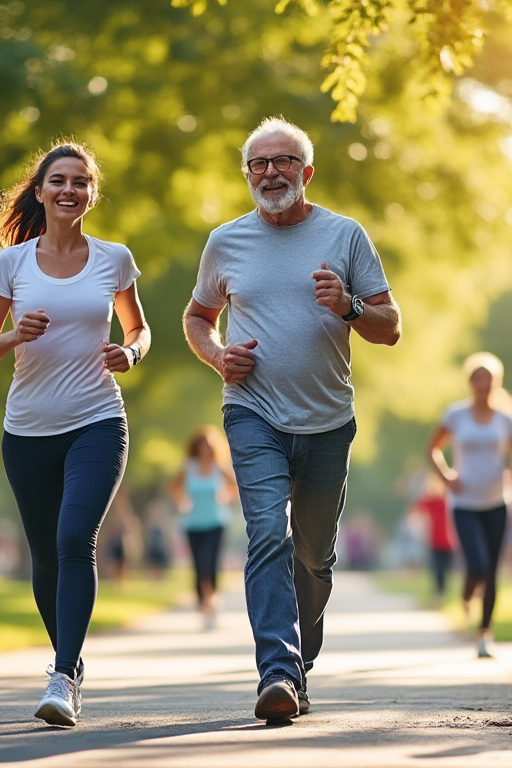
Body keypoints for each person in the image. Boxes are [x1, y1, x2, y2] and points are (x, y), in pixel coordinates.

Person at [183, 116, 401, 723]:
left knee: (313, 557)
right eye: (259, 163)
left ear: (307, 172)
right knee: (267, 535)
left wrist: (350, 306)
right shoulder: (225, 241)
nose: (271, 172)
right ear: (247, 175)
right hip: (252, 411)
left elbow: (390, 327)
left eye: (283, 162)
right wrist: (217, 355)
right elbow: (197, 317)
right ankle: (276, 672)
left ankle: (300, 662)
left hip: (327, 420)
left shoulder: (345, 235)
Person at [0, 141, 149, 727]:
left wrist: (129, 353)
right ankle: (67, 662)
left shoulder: (114, 259)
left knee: (75, 538)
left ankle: (64, 674)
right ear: (41, 191)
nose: (69, 189)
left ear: (91, 194)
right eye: (58, 180)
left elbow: (139, 329)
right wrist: (14, 335)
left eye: (80, 181)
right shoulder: (12, 264)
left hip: (97, 419)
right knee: (46, 556)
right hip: (27, 430)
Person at [427, 352, 512, 659]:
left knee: (492, 570)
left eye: (489, 379)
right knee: (477, 565)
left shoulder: (506, 418)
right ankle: (467, 592)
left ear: (497, 383)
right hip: (464, 502)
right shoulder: (455, 415)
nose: (484, 384)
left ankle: (485, 633)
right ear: (470, 383)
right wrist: (446, 476)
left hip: (498, 501)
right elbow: (433, 449)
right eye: (478, 379)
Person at [170, 426, 237, 630]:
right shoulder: (188, 467)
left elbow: (234, 486)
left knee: (212, 564)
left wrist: (225, 497)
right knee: (199, 566)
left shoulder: (219, 467)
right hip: (193, 524)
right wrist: (182, 502)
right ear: (196, 447)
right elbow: (174, 488)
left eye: (209, 446)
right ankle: (203, 606)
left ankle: (213, 600)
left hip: (216, 523)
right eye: (202, 445)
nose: (205, 449)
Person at [410, 474, 455, 602]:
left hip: (449, 542)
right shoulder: (430, 502)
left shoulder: (448, 500)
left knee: (446, 569)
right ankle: (439, 592)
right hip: (435, 541)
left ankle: (442, 592)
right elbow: (416, 507)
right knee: (437, 569)